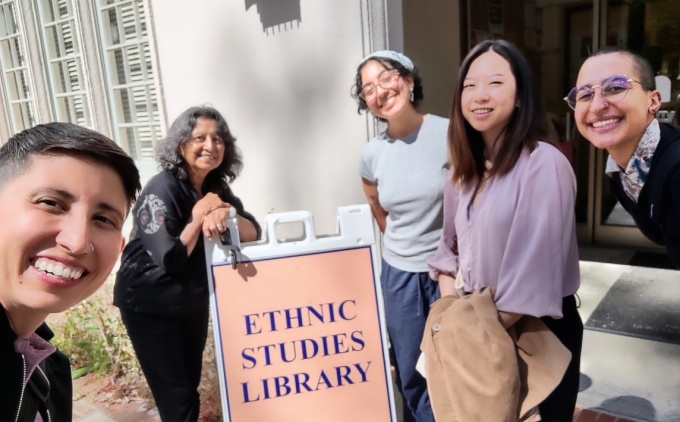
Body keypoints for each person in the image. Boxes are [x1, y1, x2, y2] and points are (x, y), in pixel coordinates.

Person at [428, 39, 582, 421]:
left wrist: (462, 330)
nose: (480, 95)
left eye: (495, 83)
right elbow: (447, 252)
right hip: (478, 329)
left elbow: (532, 279)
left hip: (535, 331)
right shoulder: (463, 173)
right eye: (469, 85)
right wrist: (452, 315)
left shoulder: (543, 164)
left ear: (519, 97)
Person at [114, 106, 260, 422]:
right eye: (200, 137)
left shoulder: (215, 187)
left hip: (189, 299)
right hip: (148, 303)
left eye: (218, 138)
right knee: (176, 397)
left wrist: (227, 213)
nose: (211, 145)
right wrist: (198, 217)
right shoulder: (162, 187)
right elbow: (170, 258)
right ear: (181, 145)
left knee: (188, 390)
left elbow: (253, 231)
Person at [0, 123, 141, 421]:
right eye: (51, 203)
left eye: (103, 219)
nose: (77, 242)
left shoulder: (51, 373)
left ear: (120, 246)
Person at [352, 50, 449, 422]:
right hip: (399, 276)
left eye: (386, 78)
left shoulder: (448, 132)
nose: (379, 91)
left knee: (452, 362)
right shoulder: (372, 154)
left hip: (448, 272)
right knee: (409, 371)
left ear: (409, 80)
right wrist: (405, 249)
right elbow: (379, 209)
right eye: (368, 89)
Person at [567, 47, 680, 267]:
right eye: (585, 94)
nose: (597, 105)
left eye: (616, 87)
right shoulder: (621, 169)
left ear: (654, 101)